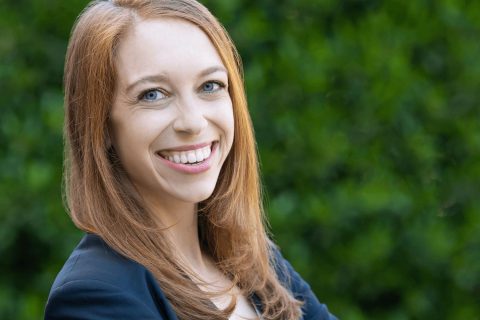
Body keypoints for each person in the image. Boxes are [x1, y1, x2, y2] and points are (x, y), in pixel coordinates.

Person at [44, 0, 337, 319]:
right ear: (100, 126)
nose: (193, 122)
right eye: (153, 94)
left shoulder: (254, 260)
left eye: (209, 86)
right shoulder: (94, 295)